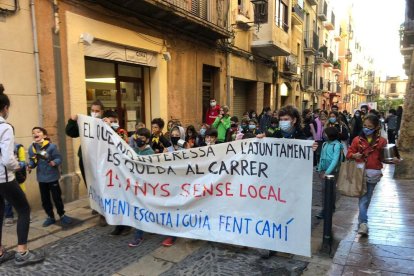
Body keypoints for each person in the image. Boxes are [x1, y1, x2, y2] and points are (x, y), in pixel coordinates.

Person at [0, 84, 45, 266]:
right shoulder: (5, 127)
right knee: (24, 208)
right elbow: (7, 160)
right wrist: (20, 165)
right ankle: (22, 252)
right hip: (4, 178)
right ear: (5, 108)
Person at [346, 114, 399, 236]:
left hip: (373, 174)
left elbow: (384, 158)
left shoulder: (381, 141)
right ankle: (363, 223)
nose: (366, 128)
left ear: (376, 127)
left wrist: (393, 160)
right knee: (364, 198)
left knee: (366, 198)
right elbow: (349, 154)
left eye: (369, 126)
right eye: (364, 126)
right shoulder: (356, 140)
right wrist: (355, 155)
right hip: (359, 173)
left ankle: (362, 223)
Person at [65, 100, 106, 226]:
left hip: (100, 160)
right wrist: (72, 121)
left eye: (97, 111)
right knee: (90, 184)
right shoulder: (85, 123)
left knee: (101, 186)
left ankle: (103, 214)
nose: (94, 113)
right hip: (86, 158)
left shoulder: (106, 122)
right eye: (92, 110)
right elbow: (71, 132)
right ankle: (95, 204)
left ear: (102, 111)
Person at [28, 127, 73, 228]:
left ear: (44, 135)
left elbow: (59, 158)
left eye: (38, 132)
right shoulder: (32, 148)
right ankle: (50, 217)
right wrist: (30, 166)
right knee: (45, 199)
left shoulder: (51, 146)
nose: (35, 133)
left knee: (57, 197)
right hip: (41, 178)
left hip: (52, 177)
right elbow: (33, 161)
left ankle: (62, 214)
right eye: (33, 133)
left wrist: (54, 162)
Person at [128, 128, 154, 247]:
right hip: (135, 186)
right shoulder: (133, 151)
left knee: (144, 208)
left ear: (147, 140)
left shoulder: (150, 153)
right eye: (137, 137)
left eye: (142, 138)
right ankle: (141, 232)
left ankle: (141, 233)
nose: (139, 140)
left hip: (146, 187)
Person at [316, 127, 344, 219]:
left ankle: (329, 208)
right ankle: (325, 209)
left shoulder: (337, 145)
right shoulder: (324, 144)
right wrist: (319, 169)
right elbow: (321, 157)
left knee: (330, 190)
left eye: (325, 133)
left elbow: (335, 160)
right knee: (324, 190)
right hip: (323, 170)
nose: (324, 135)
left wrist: (327, 172)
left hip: (333, 172)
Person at [4, 142, 28, 227]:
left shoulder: (18, 147)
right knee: (7, 199)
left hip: (17, 177)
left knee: (21, 196)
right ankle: (9, 216)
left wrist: (16, 164)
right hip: (5, 178)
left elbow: (22, 161)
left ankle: (24, 215)